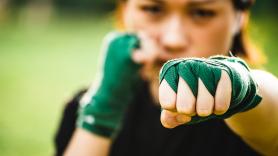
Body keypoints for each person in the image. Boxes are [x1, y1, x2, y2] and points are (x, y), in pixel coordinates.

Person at [54, 0, 278, 155]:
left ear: (240, 17)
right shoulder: (84, 110)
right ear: (125, 9)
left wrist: (243, 88)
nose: (173, 39)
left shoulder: (250, 111)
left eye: (202, 13)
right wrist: (103, 108)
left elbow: (270, 109)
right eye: (152, 9)